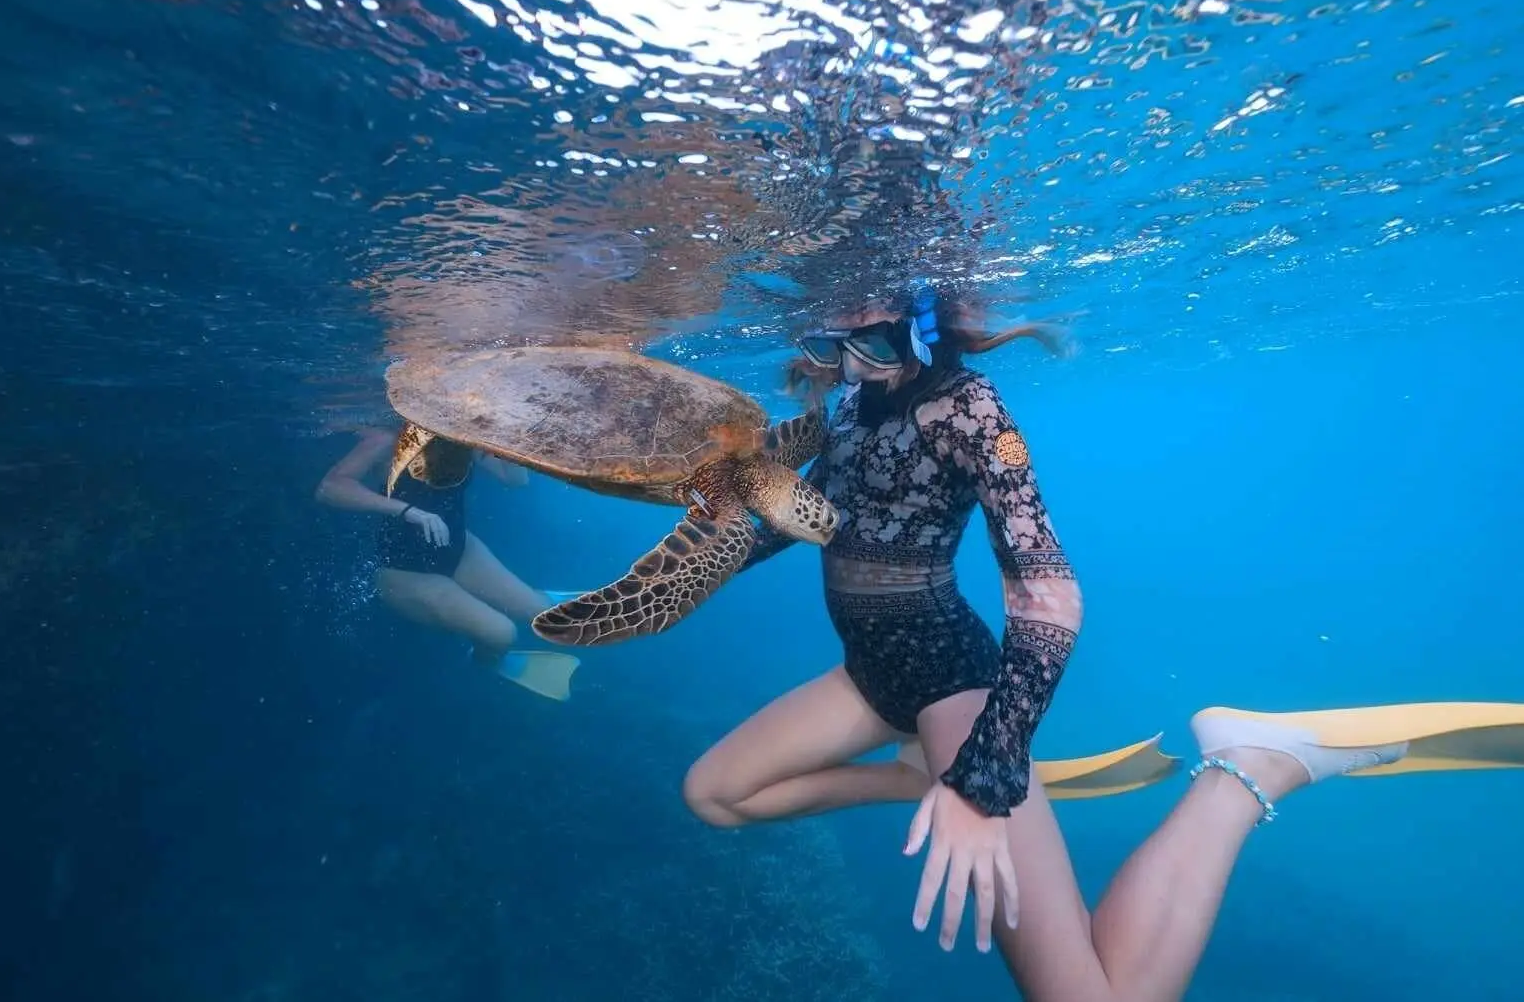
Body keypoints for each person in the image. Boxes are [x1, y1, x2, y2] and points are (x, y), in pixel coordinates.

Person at [681, 285, 1517, 1001]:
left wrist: (982, 778)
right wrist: (694, 561)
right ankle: (913, 778)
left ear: (923, 321)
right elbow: (813, 516)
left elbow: (1050, 594)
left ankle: (1249, 768)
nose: (855, 364)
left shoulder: (970, 408)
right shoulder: (851, 403)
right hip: (870, 675)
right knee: (717, 795)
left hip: (950, 687)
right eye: (832, 345)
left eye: (874, 342)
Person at [315, 425, 580, 702]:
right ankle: (487, 662)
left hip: (460, 551)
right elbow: (329, 488)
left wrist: (513, 434)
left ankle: (537, 599)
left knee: (541, 614)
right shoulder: (387, 440)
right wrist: (409, 512)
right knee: (502, 634)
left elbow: (515, 480)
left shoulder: (465, 438)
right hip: (403, 573)